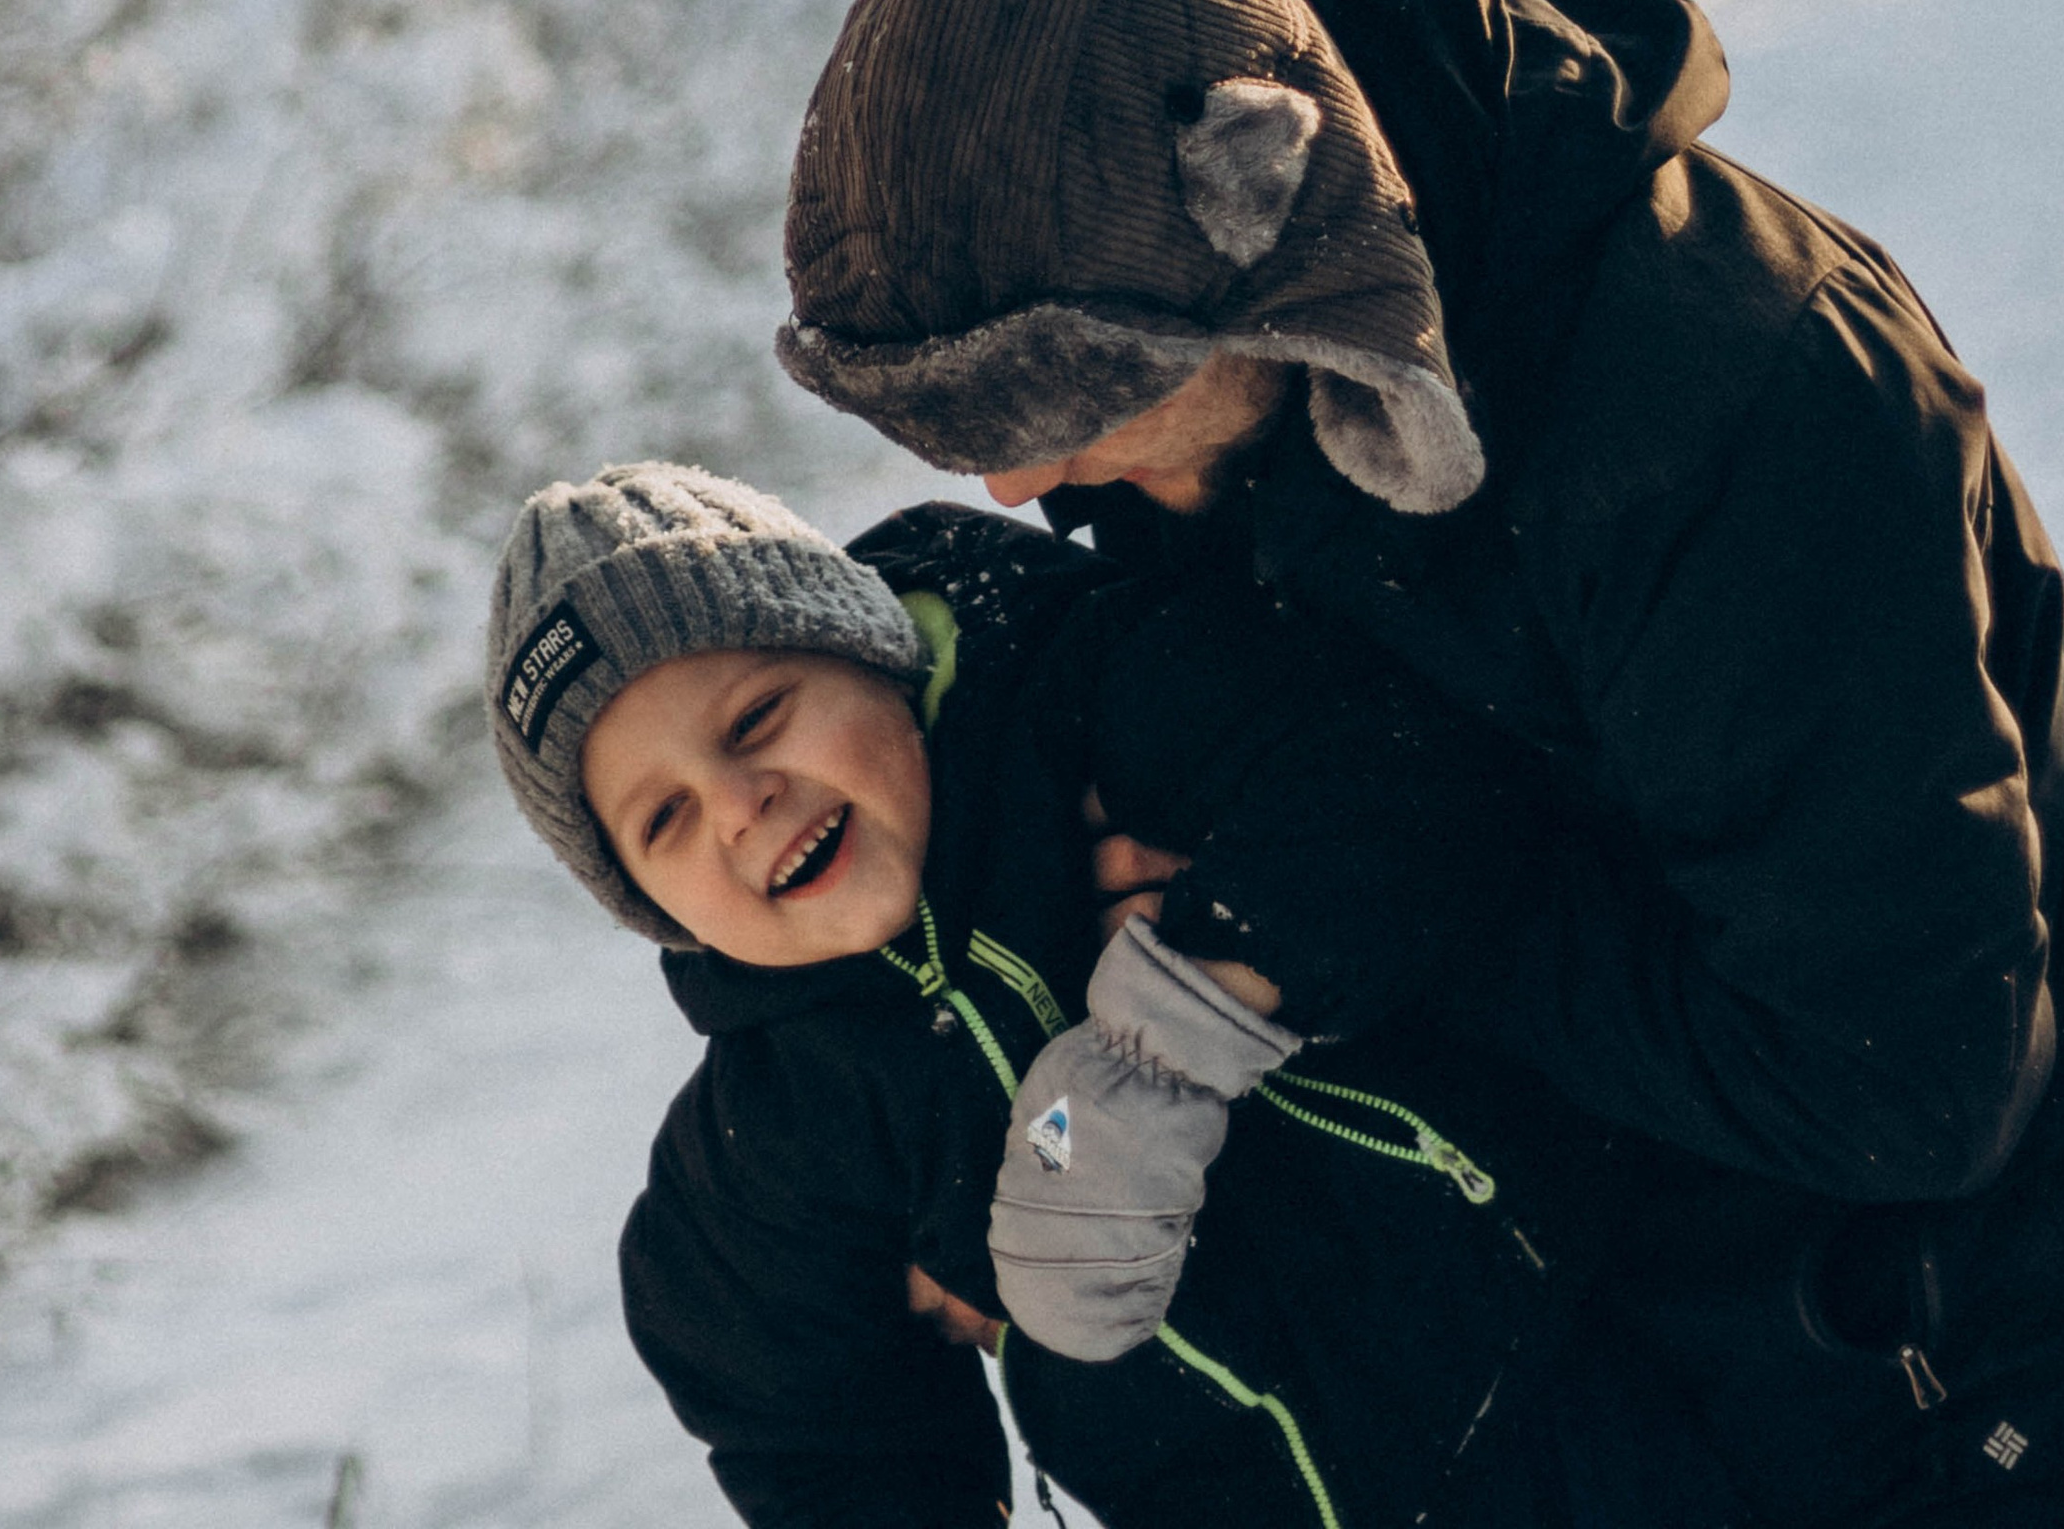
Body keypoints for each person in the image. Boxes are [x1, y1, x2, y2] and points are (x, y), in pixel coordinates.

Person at [775, 0, 2064, 1521]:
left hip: (1963, 1355)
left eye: (1068, 407)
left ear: (1270, 258)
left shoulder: (1732, 399)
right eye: (963, 441)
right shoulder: (1213, 406)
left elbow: (1909, 1087)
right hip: (1617, 1347)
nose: (1026, 481)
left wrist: (1373, 916)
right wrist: (962, 1169)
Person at [486, 455, 1744, 1529]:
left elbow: (1394, 768)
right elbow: (806, 1423)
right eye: (662, 822)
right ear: (651, 907)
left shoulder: (1088, 696)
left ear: (872, 651)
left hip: (1616, 1354)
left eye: (758, 717)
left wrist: (1192, 1006)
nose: (739, 803)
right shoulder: (782, 1127)